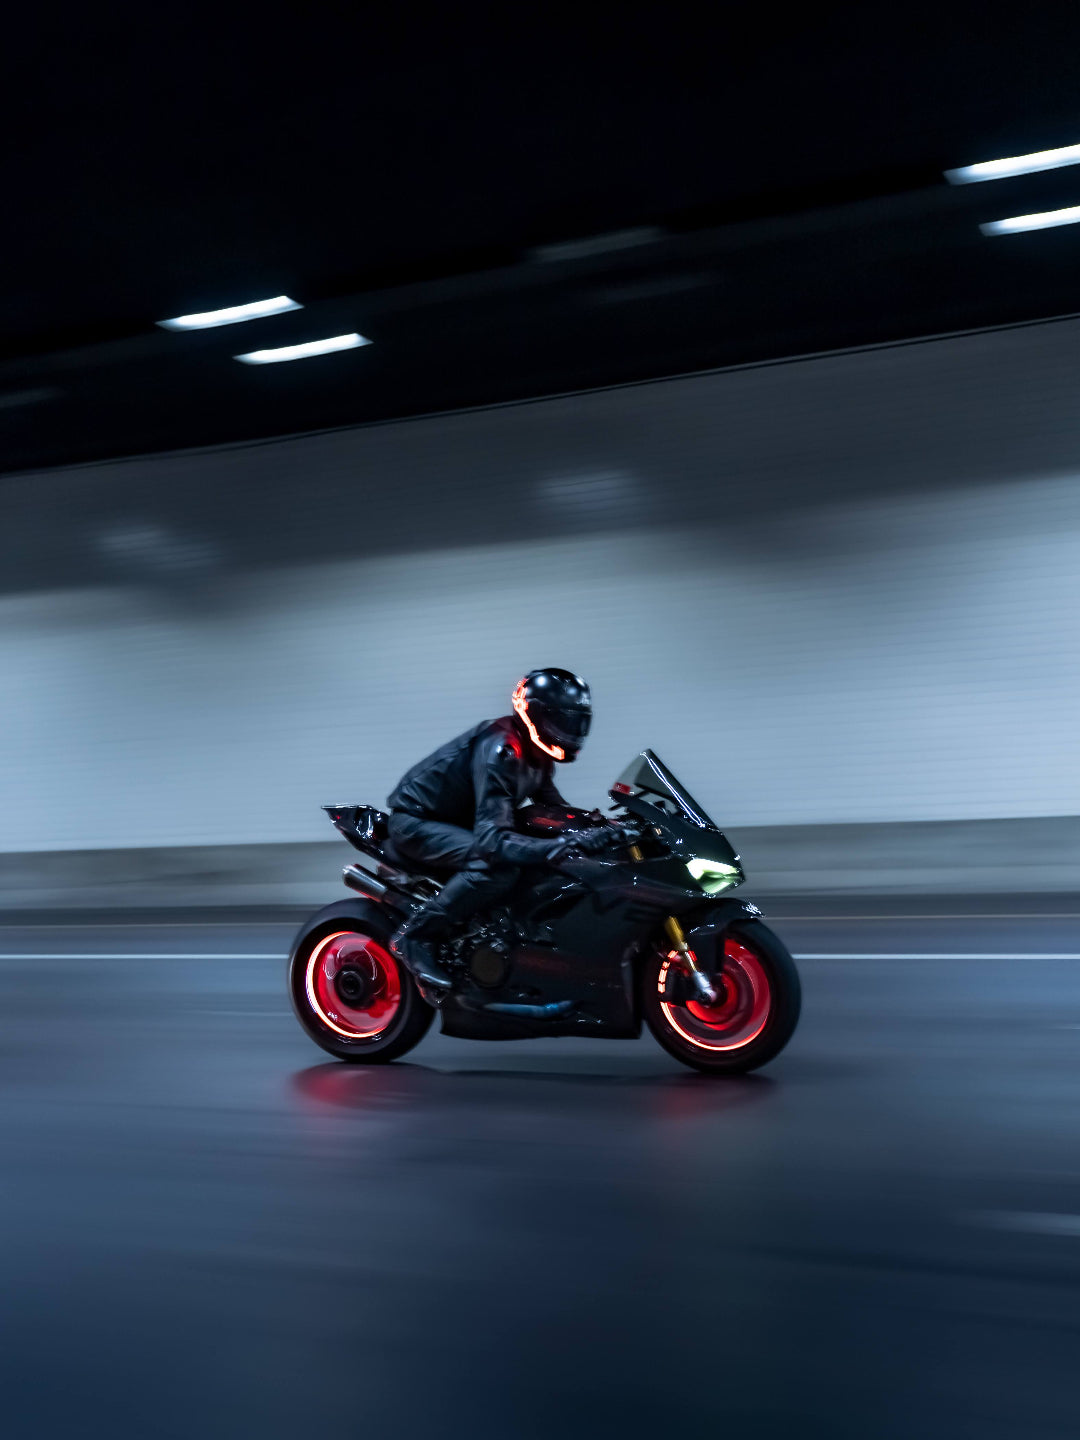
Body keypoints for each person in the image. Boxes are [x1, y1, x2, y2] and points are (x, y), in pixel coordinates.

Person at [387, 668, 611, 992]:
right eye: (563, 719)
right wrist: (556, 846)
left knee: (535, 855)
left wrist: (602, 827)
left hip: (458, 822)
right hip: (416, 821)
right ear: (535, 713)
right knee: (497, 869)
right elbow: (492, 841)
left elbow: (554, 808)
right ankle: (415, 936)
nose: (570, 730)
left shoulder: (539, 753)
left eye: (577, 721)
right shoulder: (501, 750)